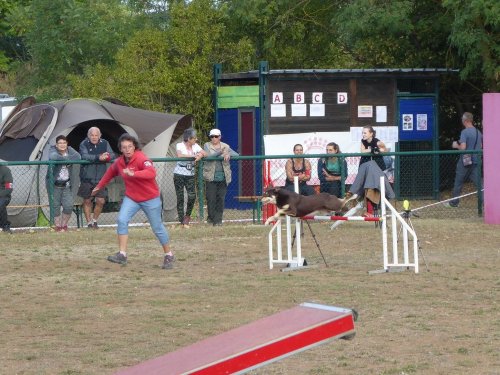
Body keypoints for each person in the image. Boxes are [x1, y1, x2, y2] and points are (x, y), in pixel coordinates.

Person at [91, 133, 175, 269]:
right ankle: (122, 255)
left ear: (134, 146)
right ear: (121, 149)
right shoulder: (119, 162)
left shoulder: (142, 158)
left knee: (157, 228)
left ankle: (169, 255)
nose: (127, 149)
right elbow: (110, 173)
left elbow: (151, 173)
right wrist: (99, 186)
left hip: (150, 198)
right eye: (124, 147)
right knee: (122, 220)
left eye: (130, 146)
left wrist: (134, 174)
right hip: (132, 198)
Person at [78, 127, 115, 229]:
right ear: (88, 136)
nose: (94, 137)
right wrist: (99, 157)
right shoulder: (84, 144)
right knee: (87, 201)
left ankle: (95, 221)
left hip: (100, 178)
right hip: (86, 178)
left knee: (101, 201)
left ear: (100, 135)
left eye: (96, 135)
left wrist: (106, 157)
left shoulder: (105, 143)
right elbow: (84, 156)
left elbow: (112, 155)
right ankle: (89, 223)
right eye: (92, 135)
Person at [446, 112, 483, 207]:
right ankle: (485, 202)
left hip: (465, 160)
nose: (462, 120)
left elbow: (463, 147)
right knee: (479, 183)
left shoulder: (465, 132)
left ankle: (454, 203)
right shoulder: (478, 132)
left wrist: (455, 145)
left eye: (462, 119)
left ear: (466, 121)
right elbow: (481, 146)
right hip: (476, 160)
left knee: (458, 181)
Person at [203, 128, 239, 226]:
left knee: (220, 199)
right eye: (212, 136)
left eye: (216, 136)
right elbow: (209, 157)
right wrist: (220, 152)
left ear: (219, 137)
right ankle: (211, 218)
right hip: (210, 176)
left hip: (223, 177)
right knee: (211, 199)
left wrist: (228, 153)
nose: (214, 138)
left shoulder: (225, 146)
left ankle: (218, 221)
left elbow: (237, 155)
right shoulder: (207, 145)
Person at [47, 135, 82, 232]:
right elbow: (53, 156)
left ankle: (64, 225)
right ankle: (58, 226)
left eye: (64, 143)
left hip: (67, 185)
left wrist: (65, 158)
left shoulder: (70, 150)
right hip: (55, 185)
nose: (62, 145)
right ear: (56, 145)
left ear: (67, 144)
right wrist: (67, 160)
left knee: (69, 205)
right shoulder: (52, 150)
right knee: (55, 206)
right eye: (60, 143)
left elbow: (78, 156)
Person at [173, 128, 207, 227]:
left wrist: (200, 155)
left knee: (192, 196)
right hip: (179, 173)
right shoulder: (179, 145)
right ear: (188, 138)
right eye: (194, 138)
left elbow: (205, 153)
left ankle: (187, 216)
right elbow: (180, 155)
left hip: (190, 174)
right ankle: (181, 219)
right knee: (180, 197)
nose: (196, 139)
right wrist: (193, 156)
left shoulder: (195, 146)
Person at [0, 162, 13, 234]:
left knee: (0, 204)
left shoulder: (5, 170)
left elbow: (9, 188)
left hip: (4, 196)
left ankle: (5, 225)